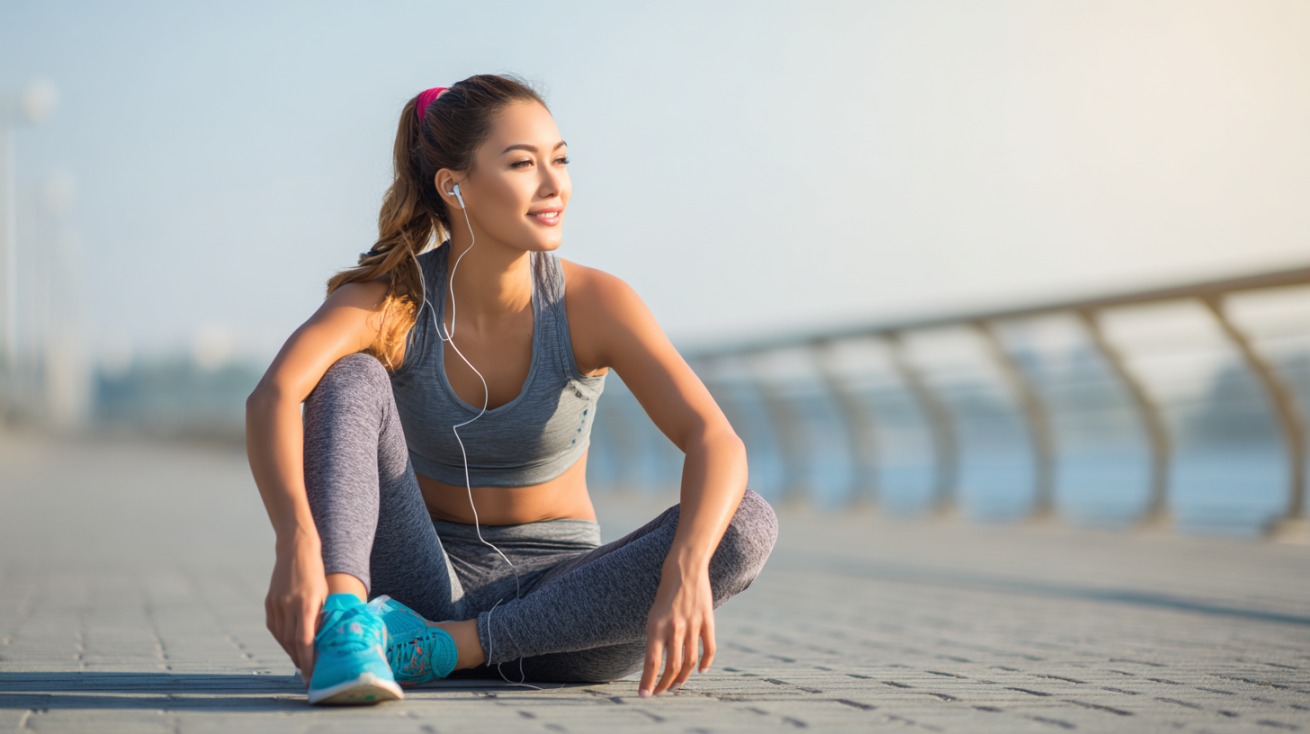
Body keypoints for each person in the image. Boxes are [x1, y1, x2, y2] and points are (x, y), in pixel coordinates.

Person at [245, 73, 778, 706]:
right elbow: (273, 395)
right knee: (349, 373)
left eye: (560, 159)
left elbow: (714, 438)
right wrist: (298, 545)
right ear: (454, 184)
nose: (555, 185)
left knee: (745, 525)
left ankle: (447, 648)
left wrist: (688, 569)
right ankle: (347, 621)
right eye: (523, 163)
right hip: (420, 582)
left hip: (566, 615)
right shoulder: (392, 300)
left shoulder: (594, 303)